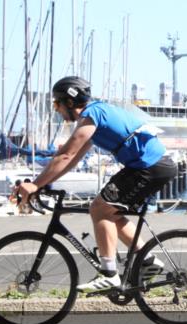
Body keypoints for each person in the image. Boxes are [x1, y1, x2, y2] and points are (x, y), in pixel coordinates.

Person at [12, 76, 177, 292]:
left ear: (69, 102)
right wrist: (42, 184)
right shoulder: (94, 117)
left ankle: (109, 274)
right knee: (110, 211)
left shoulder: (92, 116)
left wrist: (34, 185)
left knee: (99, 208)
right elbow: (72, 159)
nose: (56, 110)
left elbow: (65, 156)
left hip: (149, 166)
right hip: (148, 166)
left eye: (56, 104)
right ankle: (147, 260)